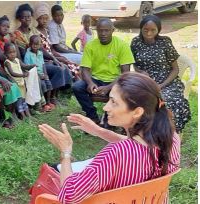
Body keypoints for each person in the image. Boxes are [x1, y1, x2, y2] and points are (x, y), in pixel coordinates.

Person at [38, 72, 180, 203]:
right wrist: (99, 131)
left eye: (113, 102)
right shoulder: (171, 138)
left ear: (137, 112)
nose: (106, 108)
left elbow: (69, 195)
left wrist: (66, 152)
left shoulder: (115, 153)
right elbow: (137, 147)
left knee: (53, 172)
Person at [130, 15, 191, 133]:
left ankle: (167, 133)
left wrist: (161, 85)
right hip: (146, 82)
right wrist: (140, 72)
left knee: (165, 100)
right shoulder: (136, 42)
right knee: (136, 99)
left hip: (167, 82)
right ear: (141, 29)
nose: (148, 33)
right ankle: (143, 131)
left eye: (153, 30)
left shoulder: (165, 42)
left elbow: (175, 69)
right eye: (145, 30)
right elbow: (134, 64)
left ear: (158, 30)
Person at [72, 18, 134, 124]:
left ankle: (112, 118)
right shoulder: (91, 45)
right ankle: (92, 116)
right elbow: (85, 69)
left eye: (106, 30)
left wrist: (109, 87)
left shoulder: (122, 45)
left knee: (128, 91)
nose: (103, 33)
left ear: (112, 30)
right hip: (96, 79)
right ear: (96, 30)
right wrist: (90, 83)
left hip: (115, 81)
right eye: (100, 30)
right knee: (77, 87)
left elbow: (125, 74)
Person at [34, 2, 80, 78]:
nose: (44, 21)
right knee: (66, 64)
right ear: (37, 19)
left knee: (70, 63)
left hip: (52, 55)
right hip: (46, 59)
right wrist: (57, 58)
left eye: (46, 18)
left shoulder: (46, 31)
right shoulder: (36, 33)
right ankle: (76, 81)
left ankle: (78, 81)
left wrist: (59, 56)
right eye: (41, 18)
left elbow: (51, 49)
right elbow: (42, 52)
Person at [3, 42, 36, 119]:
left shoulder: (17, 60)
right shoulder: (7, 62)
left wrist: (31, 66)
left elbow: (24, 66)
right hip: (16, 84)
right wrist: (23, 75)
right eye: (10, 53)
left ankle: (28, 115)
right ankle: (23, 116)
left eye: (14, 52)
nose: (12, 54)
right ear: (5, 54)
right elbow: (12, 73)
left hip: (22, 83)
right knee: (19, 101)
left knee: (24, 100)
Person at [24, 35, 53, 112]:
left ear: (40, 45)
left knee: (49, 85)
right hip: (34, 75)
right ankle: (42, 105)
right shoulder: (28, 54)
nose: (35, 46)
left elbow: (43, 64)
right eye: (33, 44)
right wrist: (38, 75)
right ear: (30, 44)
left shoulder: (40, 53)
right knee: (43, 85)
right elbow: (28, 68)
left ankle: (48, 102)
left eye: (37, 44)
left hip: (42, 74)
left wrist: (45, 74)